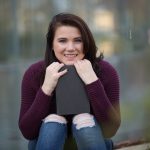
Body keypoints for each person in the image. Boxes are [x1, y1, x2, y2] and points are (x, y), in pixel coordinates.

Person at [18, 13, 121, 150]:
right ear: (52, 44)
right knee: (53, 123)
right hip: (47, 143)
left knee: (84, 120)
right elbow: (27, 132)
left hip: (92, 141)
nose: (71, 48)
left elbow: (111, 130)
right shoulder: (34, 73)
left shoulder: (106, 71)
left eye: (78, 40)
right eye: (62, 41)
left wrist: (92, 82)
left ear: (86, 42)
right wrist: (46, 88)